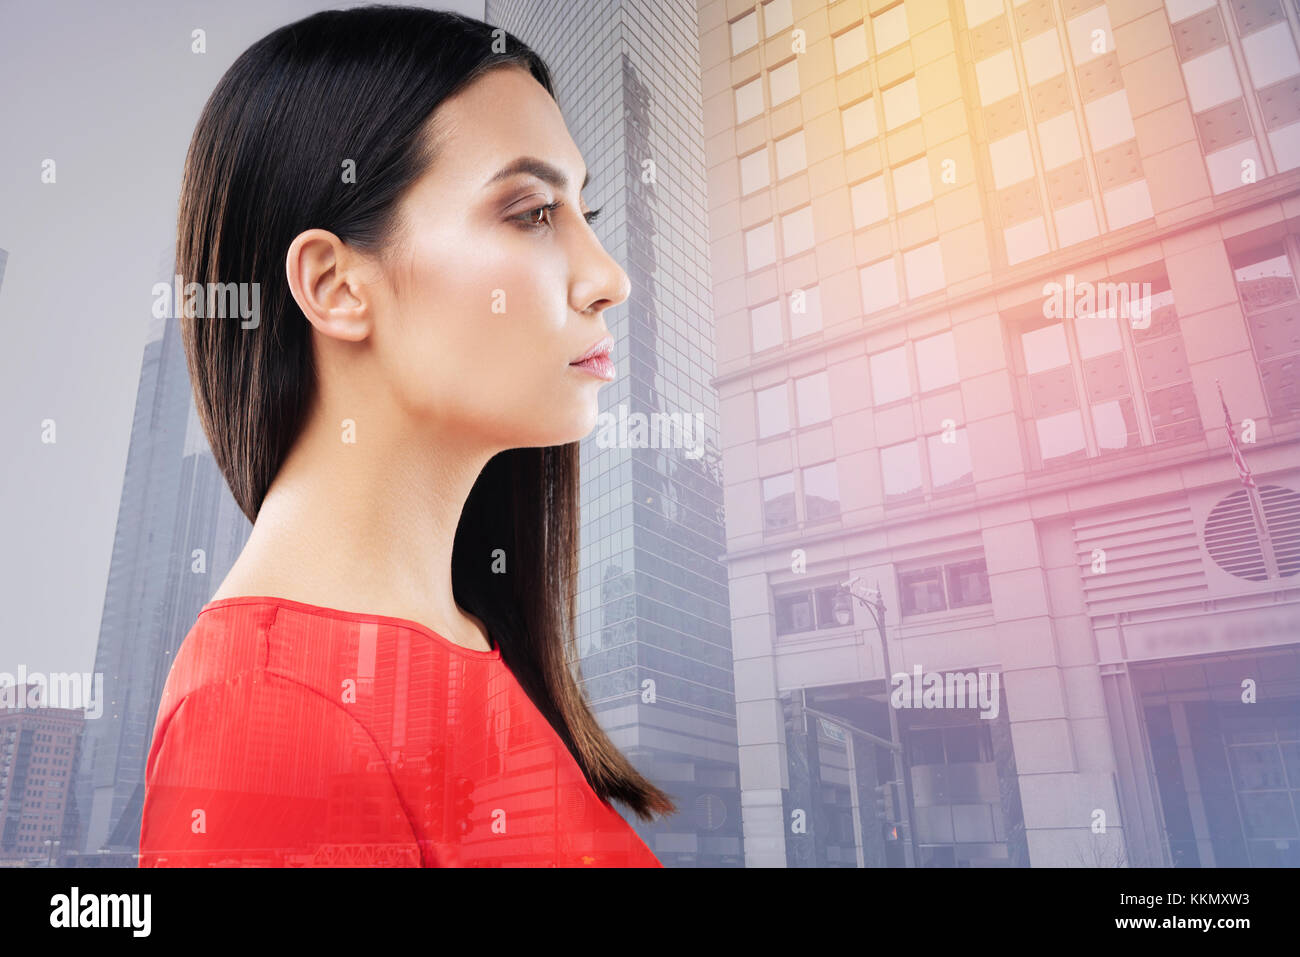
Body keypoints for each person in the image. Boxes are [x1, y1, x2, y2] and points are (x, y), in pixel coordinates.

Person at [138, 5, 675, 867]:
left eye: (588, 211)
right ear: (336, 285)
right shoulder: (269, 712)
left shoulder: (470, 640)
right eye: (533, 212)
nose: (608, 277)